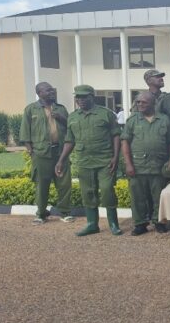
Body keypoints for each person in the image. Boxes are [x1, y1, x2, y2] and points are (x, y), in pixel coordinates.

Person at [55, 85, 122, 236]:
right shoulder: (73, 117)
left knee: (107, 191)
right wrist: (61, 160)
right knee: (88, 192)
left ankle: (113, 223)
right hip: (84, 161)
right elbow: (69, 141)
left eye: (84, 97)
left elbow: (116, 135)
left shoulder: (105, 114)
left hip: (105, 160)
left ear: (92, 96)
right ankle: (92, 224)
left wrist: (116, 157)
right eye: (78, 97)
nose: (81, 100)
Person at [20, 82, 73, 224]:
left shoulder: (61, 109)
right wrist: (32, 153)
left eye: (52, 90)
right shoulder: (31, 110)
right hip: (41, 153)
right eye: (47, 90)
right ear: (39, 93)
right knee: (42, 185)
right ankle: (41, 214)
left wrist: (61, 118)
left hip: (61, 152)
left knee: (64, 184)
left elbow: (72, 127)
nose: (51, 92)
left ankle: (65, 212)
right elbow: (25, 134)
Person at [121, 92, 170, 236]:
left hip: (158, 165)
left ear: (153, 103)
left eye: (144, 102)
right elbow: (125, 142)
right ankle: (140, 224)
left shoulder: (164, 120)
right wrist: (128, 164)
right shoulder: (132, 120)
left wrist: (168, 161)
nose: (140, 105)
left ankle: (159, 222)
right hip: (137, 166)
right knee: (138, 197)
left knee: (158, 197)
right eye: (138, 102)